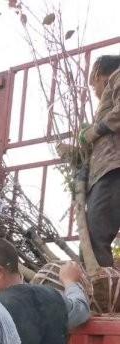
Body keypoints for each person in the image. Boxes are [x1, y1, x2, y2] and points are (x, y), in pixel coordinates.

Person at [80, 55, 120, 267]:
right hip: (110, 170)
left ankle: (99, 287)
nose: (95, 92)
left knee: (93, 242)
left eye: (93, 84)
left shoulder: (117, 77)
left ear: (97, 74)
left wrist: (94, 131)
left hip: (113, 170)